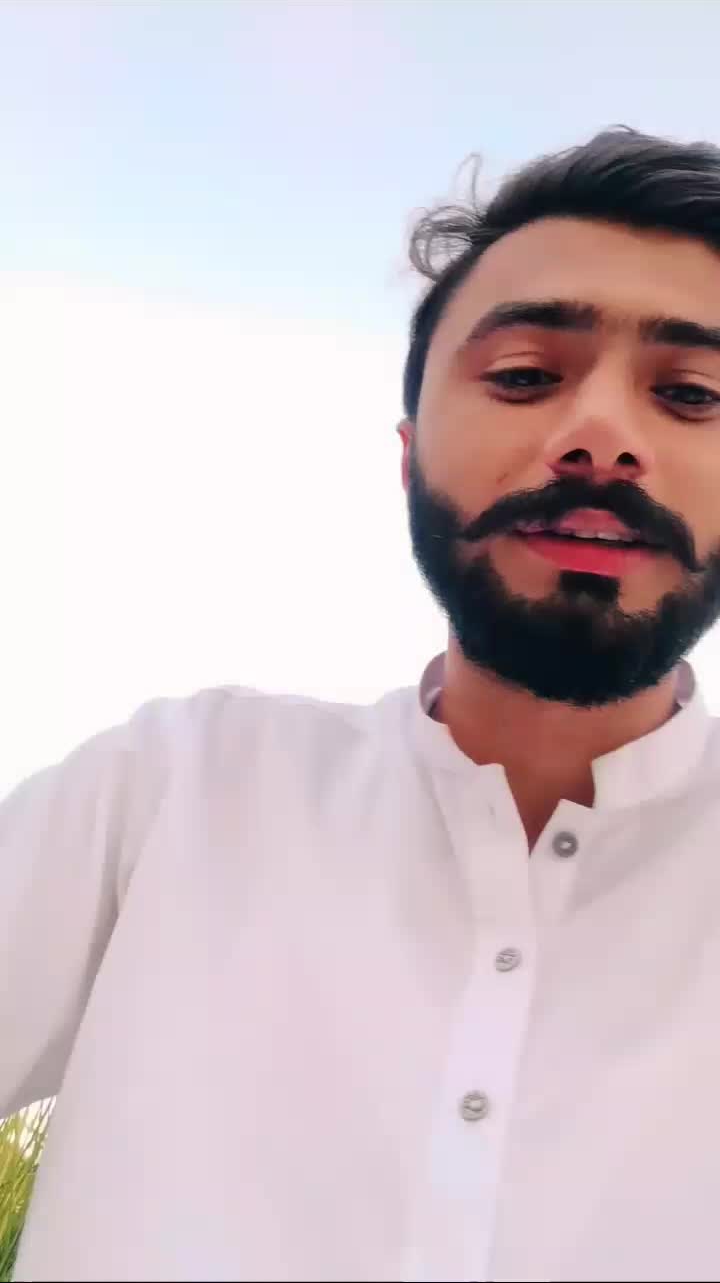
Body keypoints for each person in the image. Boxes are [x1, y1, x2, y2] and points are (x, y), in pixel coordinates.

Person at [5, 125, 720, 1283]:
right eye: (525, 376)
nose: (602, 437)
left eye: (690, 394)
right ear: (407, 454)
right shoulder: (171, 790)